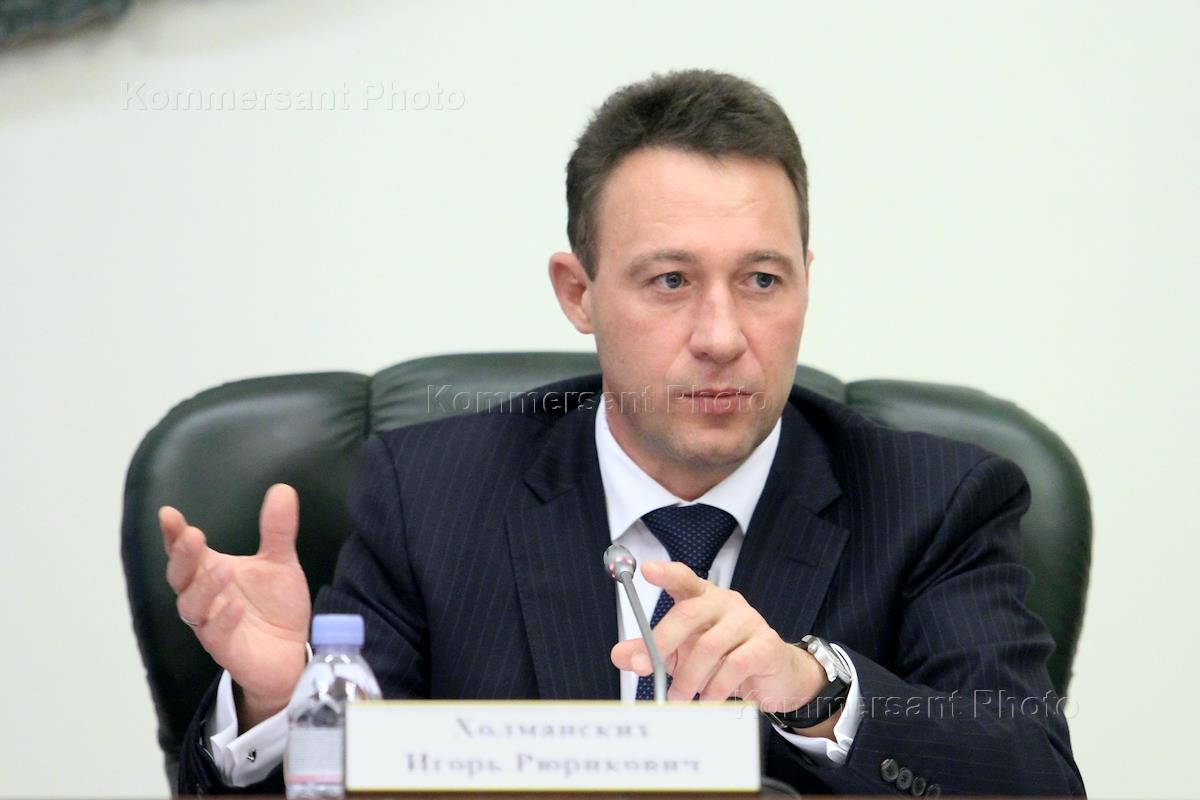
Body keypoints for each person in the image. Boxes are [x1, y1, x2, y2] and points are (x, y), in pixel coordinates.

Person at [160, 69, 1085, 796]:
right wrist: (283, 702)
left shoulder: (934, 502)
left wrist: (816, 691)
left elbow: (1035, 782)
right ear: (579, 293)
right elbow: (348, 781)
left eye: (762, 281)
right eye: (670, 281)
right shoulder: (430, 495)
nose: (721, 337)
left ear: (807, 280)